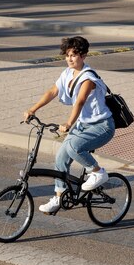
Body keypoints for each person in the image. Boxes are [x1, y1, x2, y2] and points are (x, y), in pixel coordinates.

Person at [23, 36, 115, 215]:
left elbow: (80, 102)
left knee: (74, 147)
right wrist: (32, 109)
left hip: (102, 126)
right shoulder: (67, 73)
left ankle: (97, 172)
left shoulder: (88, 78)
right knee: (61, 158)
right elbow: (52, 92)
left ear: (84, 56)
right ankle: (59, 196)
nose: (70, 58)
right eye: (67, 55)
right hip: (84, 126)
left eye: (74, 55)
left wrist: (68, 123)